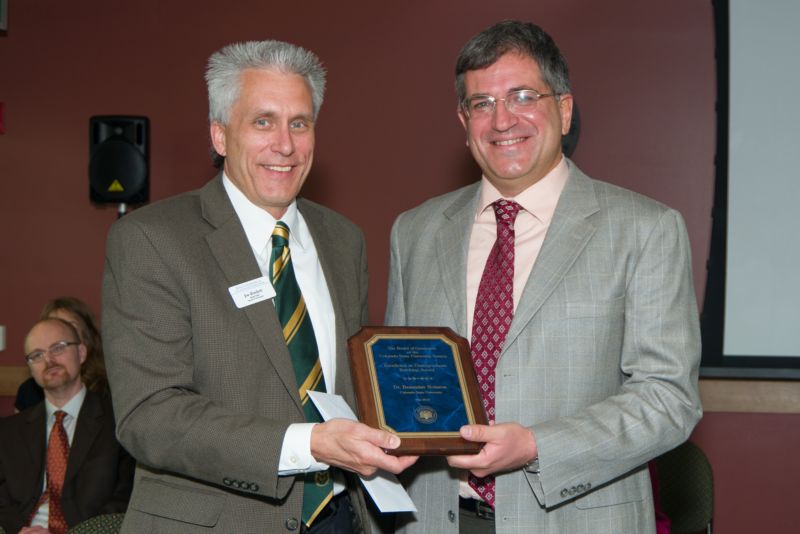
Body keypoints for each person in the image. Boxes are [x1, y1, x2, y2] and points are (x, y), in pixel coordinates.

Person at [385, 20, 702, 533]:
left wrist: (537, 446)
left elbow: (669, 400)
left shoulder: (644, 229)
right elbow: (401, 383)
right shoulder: (414, 232)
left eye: (522, 96)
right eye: (482, 103)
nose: (502, 120)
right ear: (464, 121)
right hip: (435, 519)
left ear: (564, 109)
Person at [102, 40, 416, 533]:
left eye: (300, 123)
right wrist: (308, 444)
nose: (285, 145)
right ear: (220, 136)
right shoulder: (153, 239)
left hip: (341, 516)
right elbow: (150, 416)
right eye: (263, 122)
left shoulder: (343, 240)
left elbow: (350, 386)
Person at [0, 318, 134, 534]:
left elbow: (126, 496)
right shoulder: (9, 431)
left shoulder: (119, 422)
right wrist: (21, 531)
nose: (49, 360)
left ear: (81, 353)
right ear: (30, 368)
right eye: (37, 355)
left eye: (58, 348)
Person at [14, 297, 108, 412]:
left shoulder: (109, 388)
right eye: (53, 327)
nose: (60, 335)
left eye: (70, 326)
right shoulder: (29, 391)